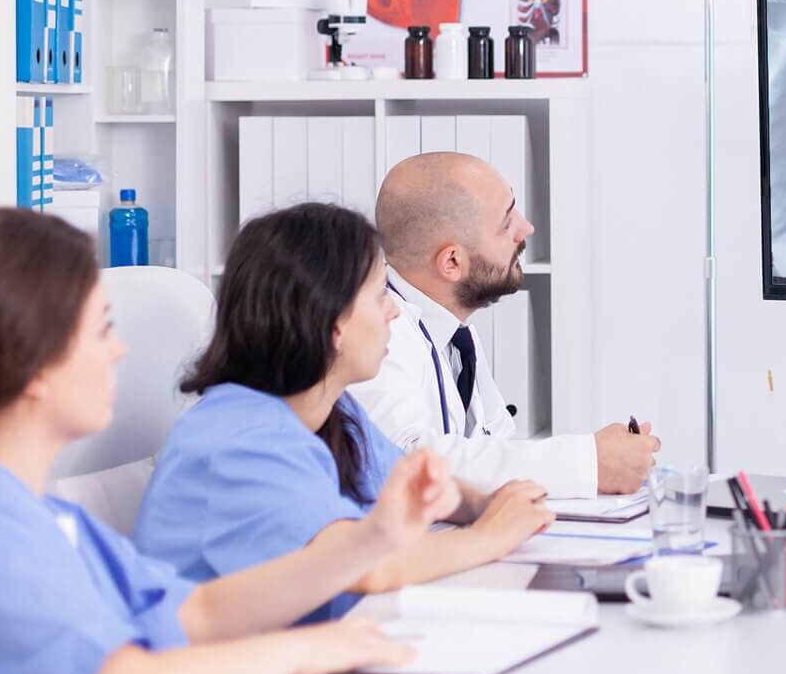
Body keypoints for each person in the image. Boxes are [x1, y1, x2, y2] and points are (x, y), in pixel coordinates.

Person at [0, 208, 460, 674]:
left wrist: (373, 540)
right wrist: (310, 651)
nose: (119, 349)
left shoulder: (38, 517)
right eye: (102, 329)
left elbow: (199, 611)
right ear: (33, 367)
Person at [134, 203, 554, 621]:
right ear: (333, 324)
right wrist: (490, 536)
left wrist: (489, 503)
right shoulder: (241, 441)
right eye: (379, 295)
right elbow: (361, 565)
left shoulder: (335, 410)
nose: (394, 311)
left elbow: (424, 492)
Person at [346, 152, 659, 498]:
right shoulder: (376, 335)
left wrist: (602, 458)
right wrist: (590, 462)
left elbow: (495, 445)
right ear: (452, 261)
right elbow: (401, 461)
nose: (526, 229)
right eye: (507, 222)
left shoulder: (455, 331)